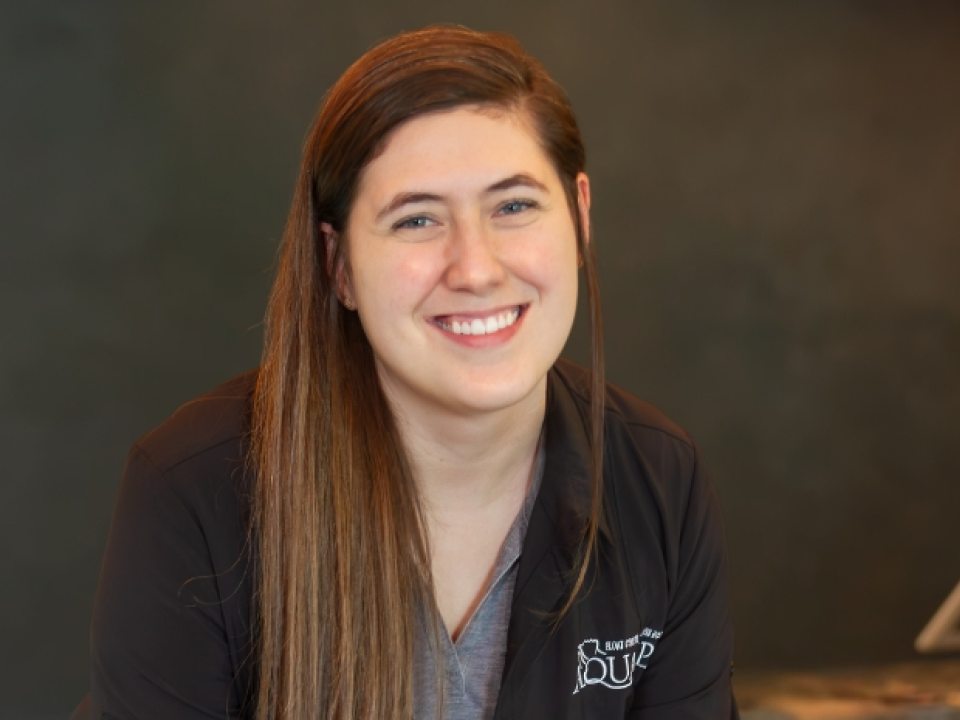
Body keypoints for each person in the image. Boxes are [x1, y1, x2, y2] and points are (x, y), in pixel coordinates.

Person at [88, 25, 737, 720]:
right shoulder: (195, 492)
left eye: (514, 206)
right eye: (417, 220)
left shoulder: (658, 479)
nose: (477, 268)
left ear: (579, 216)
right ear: (339, 266)